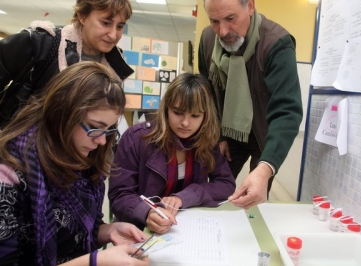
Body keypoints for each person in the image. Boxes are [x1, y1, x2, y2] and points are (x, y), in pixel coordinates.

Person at [0, 61, 149, 266]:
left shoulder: (81, 157)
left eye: (109, 129)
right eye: (95, 127)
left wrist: (109, 231)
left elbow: (78, 232)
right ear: (62, 113)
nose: (102, 141)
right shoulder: (8, 174)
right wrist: (93, 261)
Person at [198, 0, 303, 209]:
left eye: (230, 18)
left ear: (251, 6)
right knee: (211, 191)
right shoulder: (208, 39)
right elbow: (207, 92)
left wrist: (265, 168)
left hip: (264, 135)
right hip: (228, 131)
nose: (223, 31)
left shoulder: (277, 44)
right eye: (214, 21)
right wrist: (218, 135)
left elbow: (287, 112)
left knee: (254, 199)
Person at [108, 73, 236, 234]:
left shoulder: (207, 141)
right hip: (138, 229)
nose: (185, 123)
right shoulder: (136, 138)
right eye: (177, 112)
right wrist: (146, 213)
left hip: (187, 228)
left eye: (195, 115)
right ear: (166, 108)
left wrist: (186, 196)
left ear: (205, 116)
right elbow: (119, 194)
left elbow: (226, 184)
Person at [0, 0, 134, 128]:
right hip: (23, 145)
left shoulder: (115, 64)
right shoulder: (42, 42)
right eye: (105, 23)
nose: (113, 35)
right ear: (82, 16)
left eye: (120, 26)